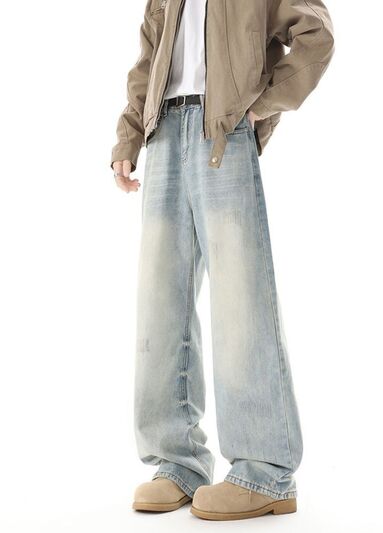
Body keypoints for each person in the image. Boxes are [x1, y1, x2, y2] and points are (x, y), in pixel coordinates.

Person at [111, 0, 334, 522]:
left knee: (241, 302)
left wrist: (262, 104)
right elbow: (148, 58)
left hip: (223, 131)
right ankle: (178, 461)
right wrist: (129, 135)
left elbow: (317, 36)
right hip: (164, 131)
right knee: (160, 302)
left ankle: (265, 472)